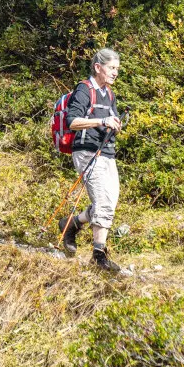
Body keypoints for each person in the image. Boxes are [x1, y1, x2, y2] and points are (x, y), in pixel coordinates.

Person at [58, 48, 123, 273]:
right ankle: (99, 256)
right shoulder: (84, 90)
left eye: (117, 69)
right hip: (86, 151)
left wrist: (115, 123)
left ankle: (71, 224)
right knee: (104, 203)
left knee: (109, 202)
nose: (115, 73)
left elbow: (109, 119)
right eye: (112, 68)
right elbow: (72, 121)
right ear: (98, 67)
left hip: (106, 152)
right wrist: (101, 121)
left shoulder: (109, 93)